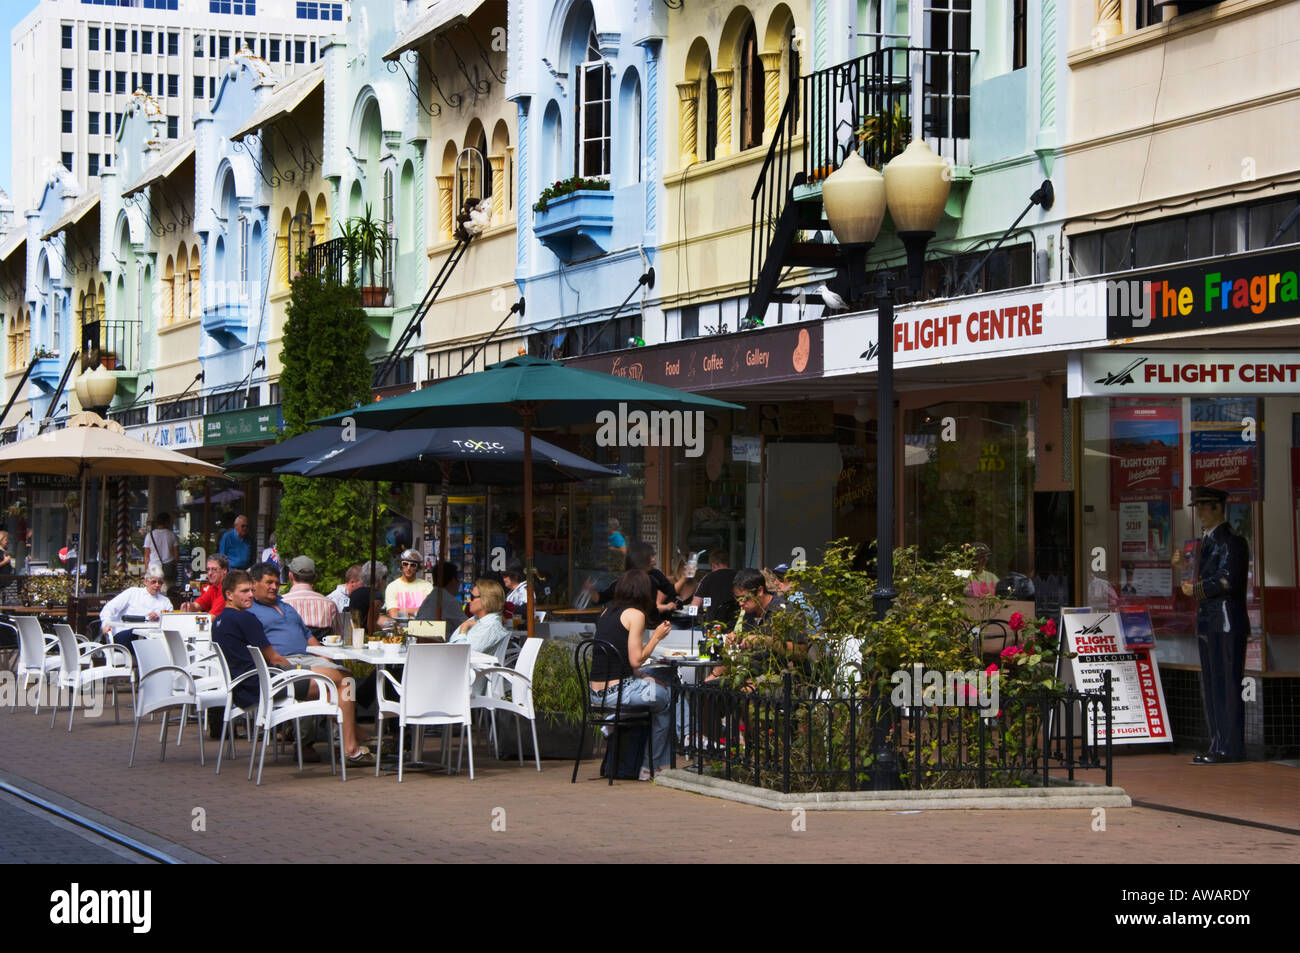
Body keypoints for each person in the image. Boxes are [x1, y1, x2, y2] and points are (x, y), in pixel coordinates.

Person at [245, 561, 369, 762]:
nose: (274, 587)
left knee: (345, 679)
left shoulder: (286, 606)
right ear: (254, 583)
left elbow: (308, 636)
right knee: (342, 682)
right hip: (284, 665)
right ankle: (344, 743)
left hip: (308, 656)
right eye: (268, 582)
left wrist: (326, 658)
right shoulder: (251, 611)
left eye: (276, 583)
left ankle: (343, 741)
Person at [1172, 486, 1251, 765]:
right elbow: (1197, 575)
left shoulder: (1232, 542)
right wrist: (1183, 565)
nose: (1200, 513)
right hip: (1208, 621)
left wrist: (1197, 589)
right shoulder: (1203, 543)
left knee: (1226, 685)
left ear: (1219, 507)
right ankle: (1218, 742)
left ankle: (1230, 746)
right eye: (1198, 507)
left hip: (1227, 622)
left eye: (1205, 507)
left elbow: (1227, 581)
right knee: (1212, 684)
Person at [587, 571, 674, 780]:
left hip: (595, 693)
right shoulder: (636, 615)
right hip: (619, 693)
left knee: (656, 685)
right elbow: (636, 659)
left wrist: (642, 676)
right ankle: (650, 766)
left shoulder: (605, 612)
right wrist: (656, 638)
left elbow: (624, 660)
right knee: (666, 697)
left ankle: (615, 719)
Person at [585, 541, 677, 623]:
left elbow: (671, 591)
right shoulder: (624, 581)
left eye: (653, 556)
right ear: (640, 559)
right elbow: (601, 598)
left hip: (650, 625)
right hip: (631, 625)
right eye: (650, 556)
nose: (653, 559)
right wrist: (590, 590)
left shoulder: (655, 575)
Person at [100, 564, 175, 647]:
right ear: (146, 581)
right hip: (126, 633)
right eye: (153, 582)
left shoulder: (165, 601)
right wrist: (105, 624)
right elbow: (109, 608)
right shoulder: (133, 593)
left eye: (160, 582)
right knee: (138, 633)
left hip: (152, 637)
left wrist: (159, 617)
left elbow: (170, 621)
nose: (157, 585)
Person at [281, 556, 344, 639]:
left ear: (290, 576)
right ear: (315, 578)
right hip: (319, 651)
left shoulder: (280, 603)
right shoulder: (329, 604)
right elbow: (338, 636)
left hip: (289, 651)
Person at [450, 578, 511, 657]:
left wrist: (463, 628)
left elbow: (462, 654)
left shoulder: (490, 626)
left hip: (467, 667)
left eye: (472, 597)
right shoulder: (476, 619)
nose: (468, 601)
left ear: (486, 599)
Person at [414, 560, 468, 627]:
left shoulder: (430, 598)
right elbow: (466, 625)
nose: (459, 583)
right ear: (453, 580)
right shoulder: (450, 601)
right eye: (458, 578)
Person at [692, 550, 738, 626]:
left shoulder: (708, 578)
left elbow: (695, 605)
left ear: (713, 565)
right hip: (736, 624)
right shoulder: (738, 576)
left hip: (713, 625)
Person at [385, 548, 433, 617]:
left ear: (417, 567)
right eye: (405, 564)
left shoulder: (427, 586)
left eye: (413, 565)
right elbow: (393, 614)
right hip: (401, 627)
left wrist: (402, 610)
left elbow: (430, 612)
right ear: (401, 565)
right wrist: (418, 611)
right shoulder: (392, 587)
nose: (408, 568)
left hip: (422, 627)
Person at [143, 513, 180, 585]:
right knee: (169, 589)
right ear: (167, 522)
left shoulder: (149, 535)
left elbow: (146, 556)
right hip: (168, 567)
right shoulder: (172, 535)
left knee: (154, 588)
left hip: (153, 567)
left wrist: (146, 570)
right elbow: (176, 556)